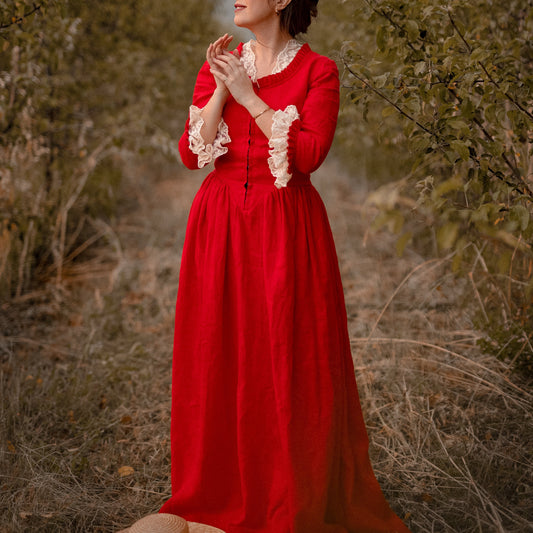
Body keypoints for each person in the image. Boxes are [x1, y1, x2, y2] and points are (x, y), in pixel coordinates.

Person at [160, 1, 411, 531]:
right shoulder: (221, 63)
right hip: (220, 224)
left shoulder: (319, 71)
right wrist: (225, 88)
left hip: (286, 229)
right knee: (219, 351)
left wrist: (250, 98)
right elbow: (191, 153)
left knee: (286, 356)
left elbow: (311, 153)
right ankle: (222, 485)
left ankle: (289, 487)